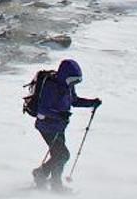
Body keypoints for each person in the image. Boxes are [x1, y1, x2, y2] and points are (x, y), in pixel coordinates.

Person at [27, 58, 99, 191]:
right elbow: (42, 109)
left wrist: (92, 102)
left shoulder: (68, 87)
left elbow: (74, 101)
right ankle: (54, 185)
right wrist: (59, 115)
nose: (72, 83)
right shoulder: (51, 86)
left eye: (75, 81)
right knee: (62, 155)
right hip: (47, 126)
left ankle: (42, 175)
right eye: (71, 80)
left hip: (59, 126)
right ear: (65, 76)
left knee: (59, 155)